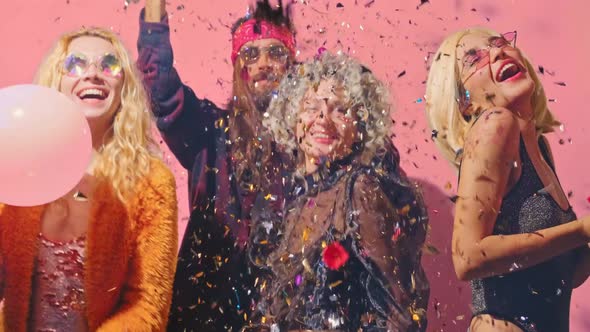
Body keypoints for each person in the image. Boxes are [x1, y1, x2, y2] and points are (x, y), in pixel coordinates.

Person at [0, 27, 178, 331]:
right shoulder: (20, 161)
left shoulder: (152, 181)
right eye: (76, 64)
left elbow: (148, 304)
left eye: (109, 65)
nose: (93, 74)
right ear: (56, 81)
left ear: (125, 87)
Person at [137, 0, 297, 330]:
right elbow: (162, 91)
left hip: (287, 313)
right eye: (251, 55)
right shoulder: (210, 132)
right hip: (206, 312)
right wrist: (154, 9)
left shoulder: (311, 143)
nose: (263, 64)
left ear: (292, 64)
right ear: (238, 66)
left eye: (275, 53)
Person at [247, 53, 430, 331]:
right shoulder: (297, 202)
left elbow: (401, 308)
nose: (323, 119)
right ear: (294, 117)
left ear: (361, 128)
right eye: (311, 107)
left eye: (340, 109)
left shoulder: (359, 190)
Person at [425, 27, 590, 332]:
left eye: (500, 43)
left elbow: (562, 275)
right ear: (465, 103)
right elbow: (467, 257)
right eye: (474, 59)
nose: (498, 52)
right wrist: (580, 229)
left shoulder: (539, 146)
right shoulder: (493, 125)